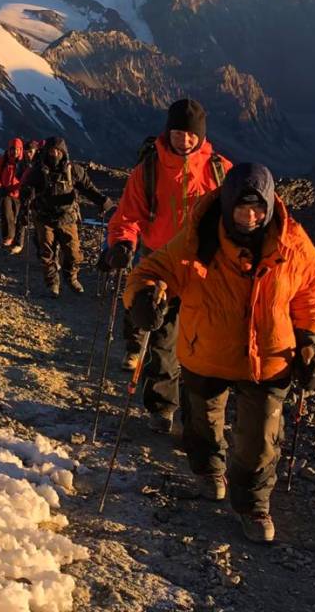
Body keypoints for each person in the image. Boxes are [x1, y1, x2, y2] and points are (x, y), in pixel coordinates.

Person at [124, 163, 315, 542]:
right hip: (207, 352)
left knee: (260, 439)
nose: (250, 218)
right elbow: (154, 269)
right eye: (241, 209)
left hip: (270, 358)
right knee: (202, 422)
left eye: (257, 210)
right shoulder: (198, 237)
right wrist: (142, 297)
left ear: (269, 206)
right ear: (227, 206)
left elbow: (312, 291)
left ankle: (253, 506)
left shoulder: (292, 243)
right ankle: (207, 470)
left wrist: (309, 341)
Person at [100, 99, 233, 434]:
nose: (183, 140)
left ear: (200, 136)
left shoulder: (220, 170)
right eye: (178, 133)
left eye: (190, 135)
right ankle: (163, 407)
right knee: (162, 338)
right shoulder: (149, 170)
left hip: (204, 267)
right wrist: (123, 242)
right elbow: (128, 215)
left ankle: (197, 411)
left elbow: (238, 215)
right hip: (161, 264)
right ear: (168, 132)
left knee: (201, 342)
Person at [20, 136, 113, 296]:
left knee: (74, 253)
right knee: (46, 253)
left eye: (57, 151)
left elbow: (88, 188)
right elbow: (25, 189)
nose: (54, 154)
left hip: (67, 217)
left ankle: (71, 277)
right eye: (51, 151)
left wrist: (103, 201)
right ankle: (53, 283)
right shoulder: (38, 171)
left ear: (63, 152)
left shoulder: (73, 170)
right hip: (44, 217)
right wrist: (26, 202)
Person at [0, 138, 25, 248]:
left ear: (21, 150)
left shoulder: (24, 163)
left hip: (19, 194)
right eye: (13, 149)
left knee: (17, 217)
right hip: (5, 193)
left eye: (17, 149)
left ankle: (16, 241)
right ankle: (8, 238)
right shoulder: (2, 160)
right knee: (6, 214)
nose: (15, 152)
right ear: (9, 149)